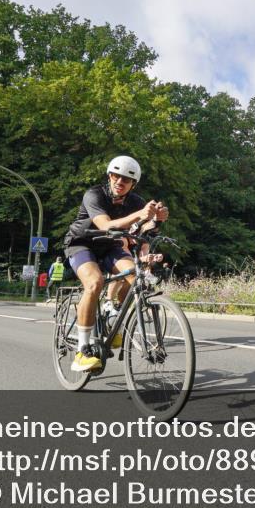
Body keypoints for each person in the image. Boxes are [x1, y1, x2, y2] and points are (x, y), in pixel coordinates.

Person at [61, 156, 169, 372]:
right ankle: (83, 350)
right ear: (109, 176)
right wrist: (140, 214)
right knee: (94, 283)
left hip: (111, 247)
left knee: (135, 275)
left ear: (133, 184)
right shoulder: (94, 194)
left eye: (126, 180)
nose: (120, 181)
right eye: (116, 176)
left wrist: (156, 220)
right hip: (82, 244)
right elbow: (106, 225)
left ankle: (114, 314)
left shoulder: (136, 201)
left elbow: (143, 230)